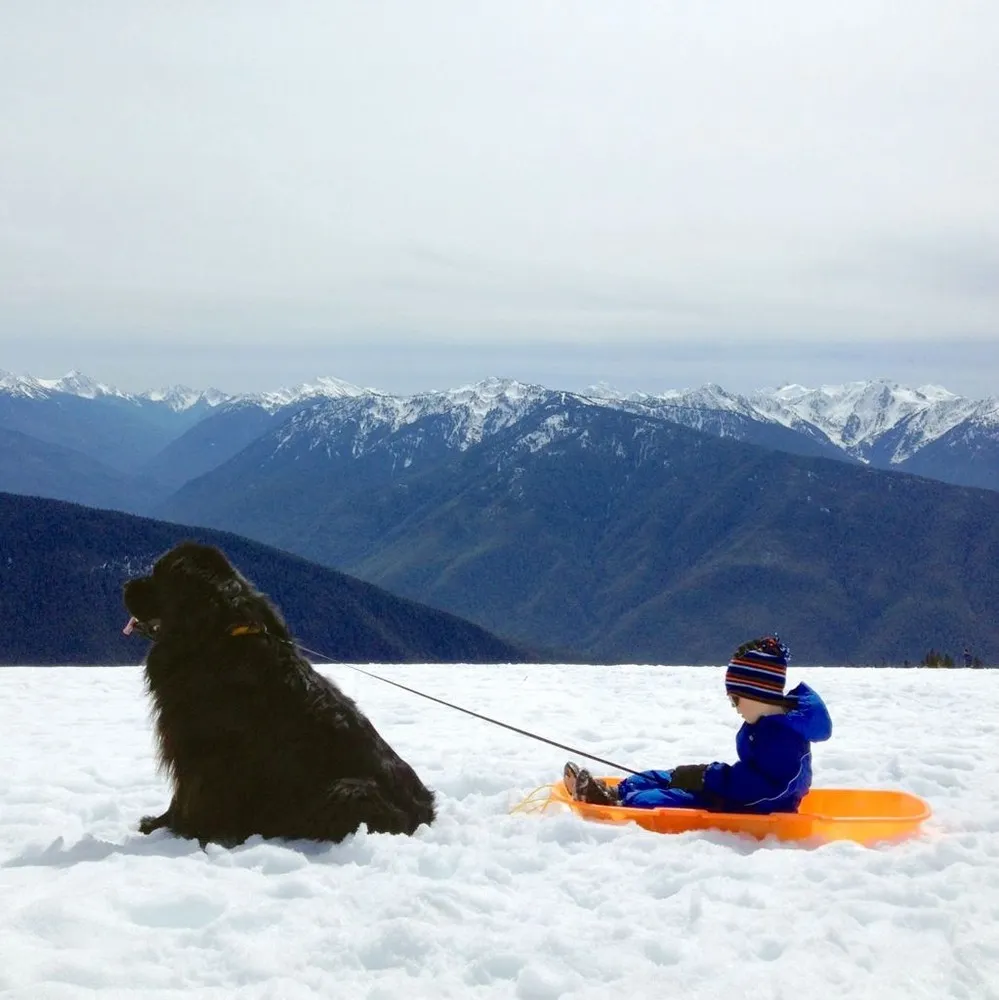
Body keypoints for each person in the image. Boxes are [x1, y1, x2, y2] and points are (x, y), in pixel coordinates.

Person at [564, 635, 832, 815]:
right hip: (735, 791)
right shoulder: (766, 726)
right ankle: (615, 789)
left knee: (672, 799)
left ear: (757, 695)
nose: (735, 707)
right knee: (670, 776)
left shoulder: (782, 739)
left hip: (753, 806)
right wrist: (703, 775)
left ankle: (616, 803)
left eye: (735, 699)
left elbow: (765, 790)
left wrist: (708, 778)